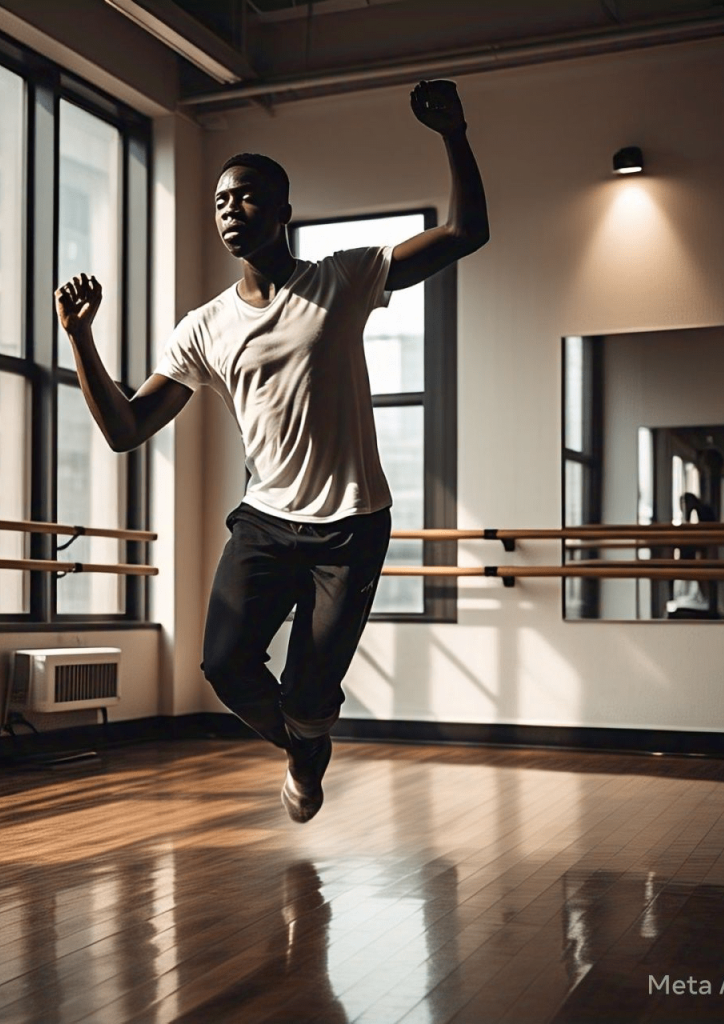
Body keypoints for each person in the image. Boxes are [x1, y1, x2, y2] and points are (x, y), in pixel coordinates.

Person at [55, 80, 488, 823]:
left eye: (250, 197)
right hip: (265, 520)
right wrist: (80, 339)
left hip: (351, 525)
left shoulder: (343, 278)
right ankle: (305, 748)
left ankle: (309, 732)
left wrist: (454, 132)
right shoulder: (203, 328)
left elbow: (464, 234)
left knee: (312, 689)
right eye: (223, 199)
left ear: (284, 213)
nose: (232, 209)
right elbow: (126, 429)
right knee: (224, 664)